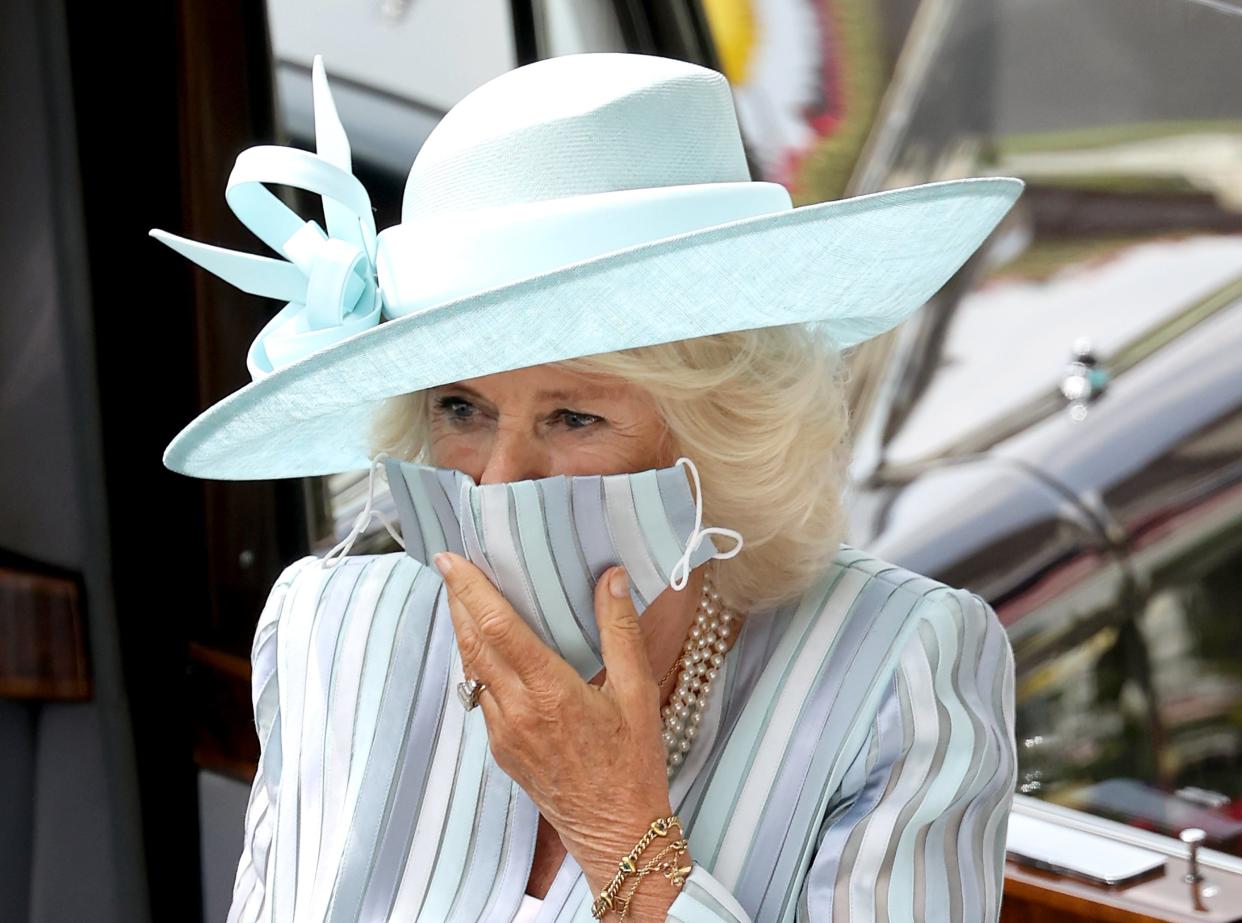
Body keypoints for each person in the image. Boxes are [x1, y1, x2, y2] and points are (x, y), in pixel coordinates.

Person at [150, 51, 1022, 923]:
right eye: (462, 407)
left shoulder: (894, 672)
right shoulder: (332, 630)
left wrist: (616, 827)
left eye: (573, 417)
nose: (500, 477)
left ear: (718, 431)